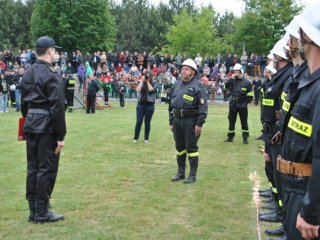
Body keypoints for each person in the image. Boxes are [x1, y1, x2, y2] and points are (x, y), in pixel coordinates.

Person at [277, 4, 320, 239]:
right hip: (297, 187)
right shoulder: (311, 82)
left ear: (307, 36)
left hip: (307, 192)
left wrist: (312, 211)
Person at [20, 36, 66, 223]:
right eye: (54, 50)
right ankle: (41, 211)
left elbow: (24, 104)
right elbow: (57, 108)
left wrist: (27, 122)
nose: (55, 53)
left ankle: (34, 210)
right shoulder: (51, 74)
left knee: (33, 167)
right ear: (49, 51)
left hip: (30, 123)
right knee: (46, 168)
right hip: (46, 125)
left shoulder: (28, 73)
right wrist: (60, 136)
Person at [169, 59, 208, 184]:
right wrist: (171, 121)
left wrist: (199, 124)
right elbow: (171, 104)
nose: (183, 71)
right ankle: (181, 172)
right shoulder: (177, 84)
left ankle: (192, 175)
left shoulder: (198, 86)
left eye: (186, 69)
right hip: (177, 120)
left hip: (190, 121)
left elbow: (203, 106)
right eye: (182, 68)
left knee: (191, 148)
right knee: (179, 147)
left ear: (192, 71)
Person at [224, 63, 253, 144]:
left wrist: (245, 103)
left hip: (242, 104)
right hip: (233, 104)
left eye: (237, 71)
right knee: (231, 121)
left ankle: (245, 138)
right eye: (234, 71)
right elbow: (225, 87)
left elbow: (250, 94)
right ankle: (230, 137)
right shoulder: (232, 80)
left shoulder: (247, 82)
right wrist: (230, 79)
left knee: (244, 122)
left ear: (241, 71)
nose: (235, 73)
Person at [133, 71, 157, 144]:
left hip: (149, 105)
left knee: (147, 122)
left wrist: (147, 82)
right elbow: (137, 90)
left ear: (151, 76)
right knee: (139, 121)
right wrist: (142, 81)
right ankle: (135, 138)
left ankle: (146, 139)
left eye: (149, 76)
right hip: (140, 105)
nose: (147, 77)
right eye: (146, 76)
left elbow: (151, 90)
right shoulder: (142, 82)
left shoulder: (154, 83)